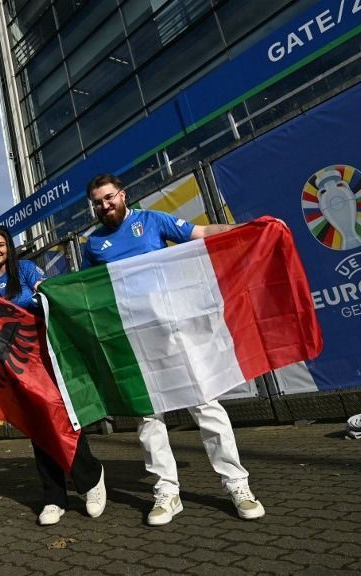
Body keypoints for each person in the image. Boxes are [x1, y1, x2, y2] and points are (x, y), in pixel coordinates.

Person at [82, 173, 265, 525]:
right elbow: (88, 292)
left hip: (175, 327)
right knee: (149, 418)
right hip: (134, 341)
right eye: (98, 203)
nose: (105, 206)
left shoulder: (153, 220)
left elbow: (201, 233)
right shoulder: (93, 246)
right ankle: (167, 492)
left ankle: (237, 484)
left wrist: (246, 227)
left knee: (205, 403)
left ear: (123, 194)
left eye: (109, 198)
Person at [0, 225, 107, 526]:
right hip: (13, 365)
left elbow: (46, 292)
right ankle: (54, 497)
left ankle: (90, 479)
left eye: (0, 245)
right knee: (36, 425)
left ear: (9, 247)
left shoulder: (24, 270)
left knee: (60, 417)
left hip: (42, 357)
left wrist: (40, 294)